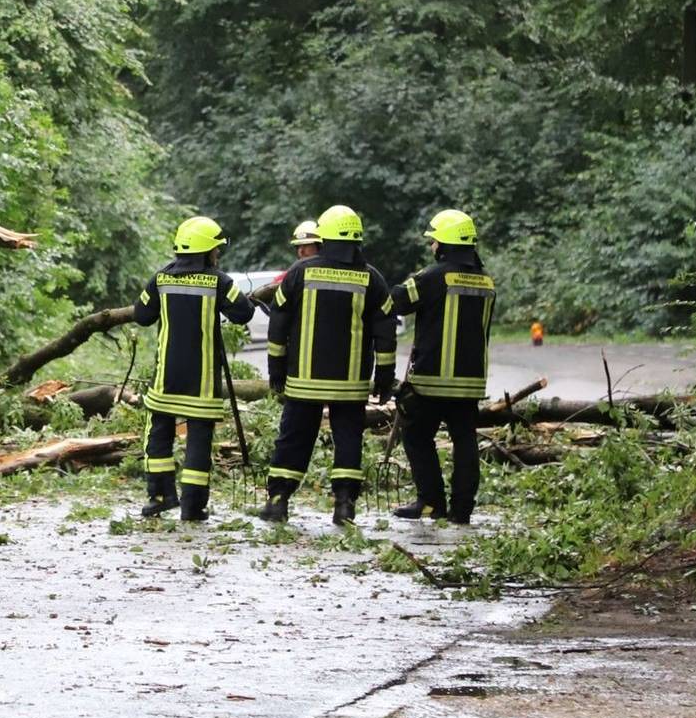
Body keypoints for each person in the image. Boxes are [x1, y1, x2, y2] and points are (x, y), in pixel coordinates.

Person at [258, 204, 398, 526]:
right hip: (350, 385)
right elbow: (386, 332)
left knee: (293, 438)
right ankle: (345, 505)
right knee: (348, 439)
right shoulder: (372, 278)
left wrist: (276, 368)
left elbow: (278, 322)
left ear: (324, 236)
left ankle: (278, 500)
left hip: (304, 381)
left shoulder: (300, 272)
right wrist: (385, 377)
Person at [134, 216, 256, 521]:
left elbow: (141, 315)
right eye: (216, 249)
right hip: (202, 384)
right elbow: (243, 313)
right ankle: (192, 506)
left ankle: (159, 496)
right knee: (199, 442)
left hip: (166, 379)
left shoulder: (160, 279)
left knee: (158, 435)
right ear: (206, 251)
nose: (218, 254)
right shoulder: (219, 281)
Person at [383, 210, 495, 524]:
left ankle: (431, 501)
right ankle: (462, 510)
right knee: (465, 441)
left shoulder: (434, 276)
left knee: (417, 435)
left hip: (433, 379)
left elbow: (397, 301)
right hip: (470, 381)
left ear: (445, 243)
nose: (431, 246)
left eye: (434, 241)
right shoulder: (486, 280)